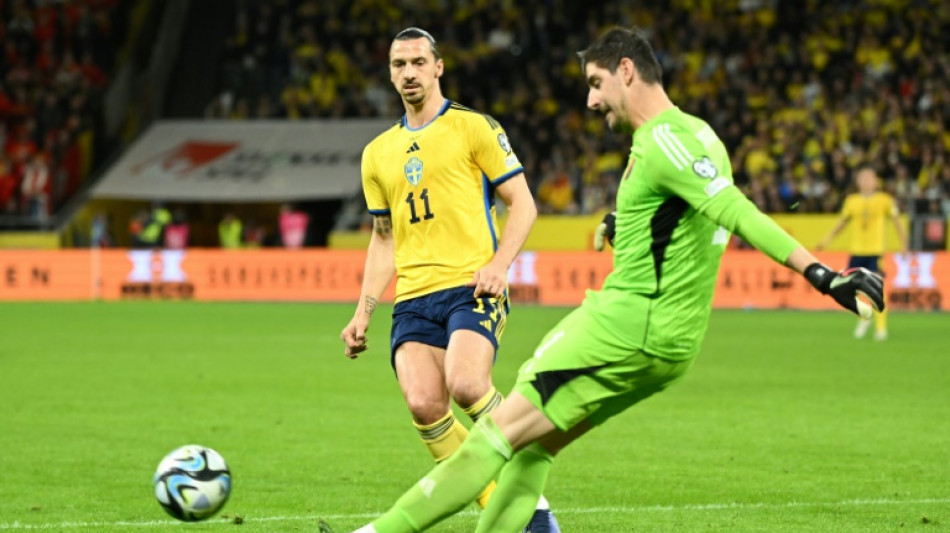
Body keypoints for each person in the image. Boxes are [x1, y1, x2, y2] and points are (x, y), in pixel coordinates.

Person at [323, 27, 885, 533]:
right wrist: (626, 223)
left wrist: (821, 274)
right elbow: (688, 206)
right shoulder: (699, 136)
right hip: (672, 348)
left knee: (495, 438)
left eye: (594, 83)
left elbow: (734, 210)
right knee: (532, 451)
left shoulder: (661, 140)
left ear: (626, 71)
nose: (589, 100)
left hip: (621, 325)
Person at [338, 27, 559, 532]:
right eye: (399, 64)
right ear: (390, 72)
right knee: (423, 403)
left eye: (418, 62)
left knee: (466, 383)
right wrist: (363, 310)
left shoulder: (474, 127)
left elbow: (522, 203)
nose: (409, 73)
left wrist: (500, 265)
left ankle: (533, 493)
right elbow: (383, 236)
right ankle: (505, 510)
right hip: (414, 297)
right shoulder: (378, 153)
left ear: (438, 67)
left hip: (472, 286)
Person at [816, 163, 908, 340]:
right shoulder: (852, 201)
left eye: (869, 178)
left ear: (876, 181)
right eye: (862, 178)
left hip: (875, 251)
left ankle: (881, 328)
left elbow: (897, 222)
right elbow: (841, 224)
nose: (866, 181)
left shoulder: (885, 200)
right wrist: (826, 240)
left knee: (876, 288)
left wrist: (904, 245)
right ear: (858, 182)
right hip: (856, 251)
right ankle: (863, 318)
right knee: (849, 290)